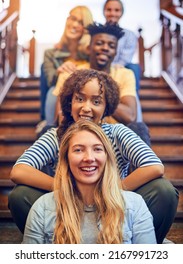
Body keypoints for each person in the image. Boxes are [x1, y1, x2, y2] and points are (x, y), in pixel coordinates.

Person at [9, 69, 178, 244]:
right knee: (20, 195)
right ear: (69, 102)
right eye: (79, 99)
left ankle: (150, 242)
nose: (86, 107)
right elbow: (19, 171)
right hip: (69, 205)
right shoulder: (56, 135)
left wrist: (111, 189)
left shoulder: (117, 132)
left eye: (96, 101)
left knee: (163, 190)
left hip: (114, 204)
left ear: (106, 108)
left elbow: (154, 166)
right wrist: (64, 188)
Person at [22, 120, 156, 244]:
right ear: (66, 159)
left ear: (107, 157)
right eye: (78, 150)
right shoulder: (42, 208)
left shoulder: (135, 205)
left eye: (97, 149)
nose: (89, 158)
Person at [46, 22, 137, 127]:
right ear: (89, 48)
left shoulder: (125, 74)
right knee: (48, 129)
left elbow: (130, 117)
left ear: (115, 52)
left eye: (111, 46)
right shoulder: (71, 72)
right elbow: (62, 118)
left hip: (113, 135)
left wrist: (100, 97)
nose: (105, 48)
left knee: (139, 128)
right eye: (99, 43)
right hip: (76, 132)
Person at [38, 5, 93, 126]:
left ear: (86, 28)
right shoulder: (51, 53)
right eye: (72, 18)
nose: (74, 25)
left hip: (83, 96)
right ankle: (50, 126)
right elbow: (49, 81)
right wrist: (59, 71)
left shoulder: (91, 53)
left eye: (80, 22)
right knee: (53, 89)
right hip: (59, 95)